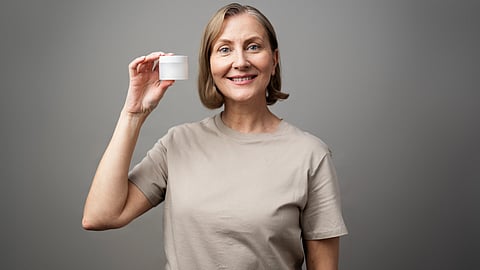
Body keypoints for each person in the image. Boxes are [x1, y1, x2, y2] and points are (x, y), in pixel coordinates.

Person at [83, 3, 347, 270]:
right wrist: (133, 114)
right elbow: (101, 216)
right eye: (224, 49)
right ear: (209, 64)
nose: (240, 62)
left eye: (253, 46)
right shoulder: (177, 144)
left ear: (274, 59)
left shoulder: (310, 155)